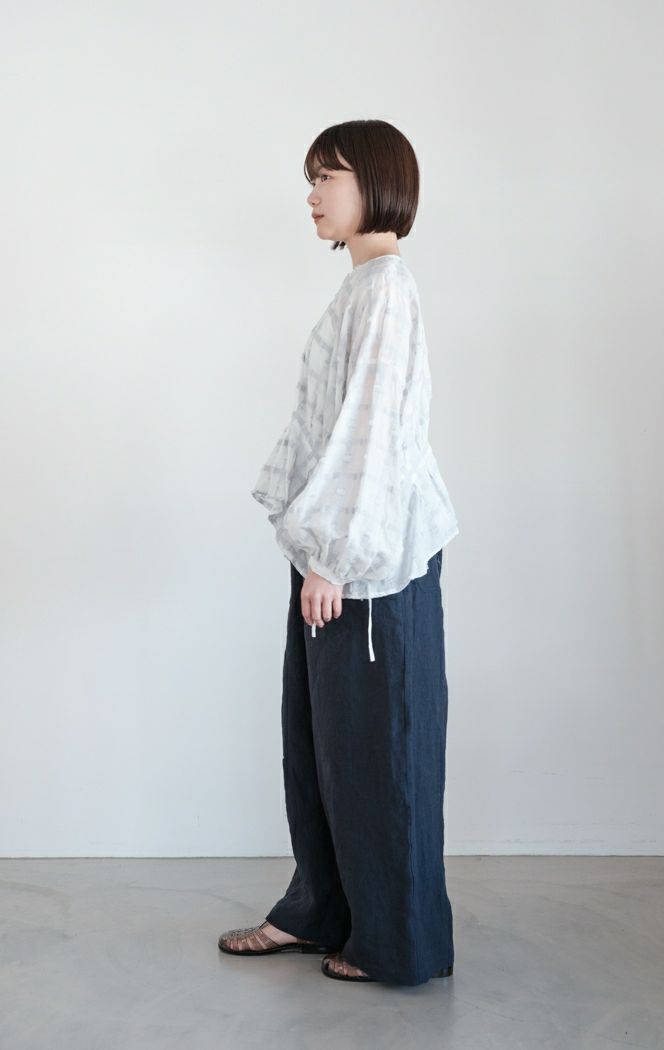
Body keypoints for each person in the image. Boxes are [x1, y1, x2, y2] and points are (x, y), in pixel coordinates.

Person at [218, 119, 460, 985]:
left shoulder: (386, 289)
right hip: (341, 553)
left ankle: (392, 941)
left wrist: (333, 556)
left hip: (365, 565)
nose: (313, 194)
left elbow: (373, 435)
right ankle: (320, 912)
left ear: (378, 183)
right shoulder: (363, 287)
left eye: (330, 175)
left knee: (376, 751)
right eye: (312, 176)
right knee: (323, 745)